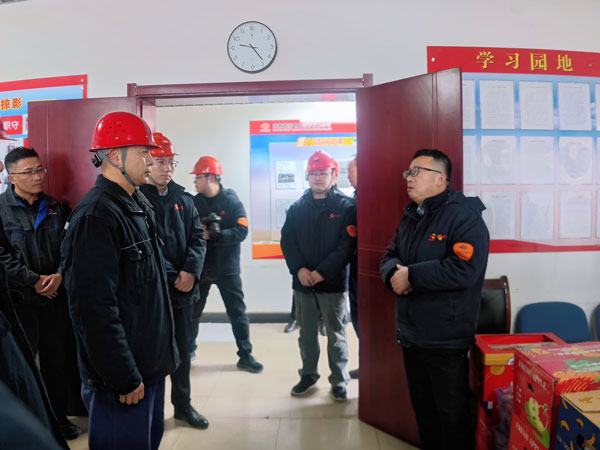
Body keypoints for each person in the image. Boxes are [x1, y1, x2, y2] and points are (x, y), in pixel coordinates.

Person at [61, 112, 179, 450]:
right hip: (123, 380)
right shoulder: (96, 216)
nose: (151, 160)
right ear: (115, 156)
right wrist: (123, 376)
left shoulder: (136, 204)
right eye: (143, 153)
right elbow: (93, 310)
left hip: (148, 368)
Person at [380, 149, 489, 450]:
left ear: (441, 178)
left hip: (445, 338)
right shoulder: (411, 216)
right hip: (412, 334)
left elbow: (464, 269)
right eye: (408, 172)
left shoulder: (464, 217)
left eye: (417, 172)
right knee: (425, 413)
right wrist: (394, 274)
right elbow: (390, 256)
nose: (409, 178)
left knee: (452, 418)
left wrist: (411, 276)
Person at [0, 146, 82, 440]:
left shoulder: (55, 207)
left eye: (39, 170)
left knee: (56, 363)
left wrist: (59, 275)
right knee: (21, 367)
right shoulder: (1, 210)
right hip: (20, 303)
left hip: (54, 300)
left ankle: (58, 420)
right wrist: (33, 281)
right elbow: (1, 257)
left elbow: (69, 247)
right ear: (11, 177)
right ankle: (27, 426)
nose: (37, 177)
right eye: (29, 172)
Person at [140, 132, 208, 429]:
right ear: (147, 162)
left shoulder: (184, 199)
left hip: (184, 292)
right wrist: (173, 275)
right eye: (160, 162)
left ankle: (183, 406)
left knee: (183, 351)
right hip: (153, 293)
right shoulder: (137, 199)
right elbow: (146, 245)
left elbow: (198, 238)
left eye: (170, 162)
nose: (167, 168)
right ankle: (148, 412)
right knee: (152, 354)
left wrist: (191, 271)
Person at [280, 150, 356, 402]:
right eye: (313, 173)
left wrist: (322, 272)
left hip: (332, 283)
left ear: (334, 175)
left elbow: (346, 246)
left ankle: (339, 380)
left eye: (323, 172)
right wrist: (299, 269)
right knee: (306, 334)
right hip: (303, 284)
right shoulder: (297, 208)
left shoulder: (346, 207)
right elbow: (287, 241)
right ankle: (308, 375)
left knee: (336, 334)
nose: (318, 177)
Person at [189, 156, 263, 373]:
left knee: (237, 313)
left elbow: (242, 231)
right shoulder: (194, 203)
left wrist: (216, 235)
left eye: (198, 177)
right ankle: (187, 351)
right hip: (201, 268)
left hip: (227, 268)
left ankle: (246, 356)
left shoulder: (231, 201)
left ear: (211, 178)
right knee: (192, 313)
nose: (195, 181)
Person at [346, 156, 359, 379]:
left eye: (351, 171)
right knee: (357, 319)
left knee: (365, 321)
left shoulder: (371, 197)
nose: (347, 176)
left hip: (366, 270)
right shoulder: (356, 197)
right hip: (354, 269)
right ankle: (366, 363)